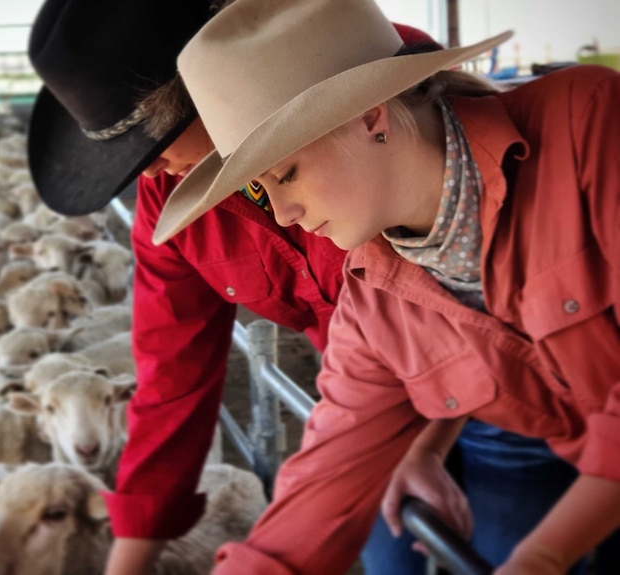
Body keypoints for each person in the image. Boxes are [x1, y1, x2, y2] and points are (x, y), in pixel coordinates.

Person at [151, 0, 620, 574]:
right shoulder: (374, 296)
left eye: (286, 174)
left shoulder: (592, 128)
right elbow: (328, 474)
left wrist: (544, 554)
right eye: (260, 191)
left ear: (372, 116)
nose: (286, 211)